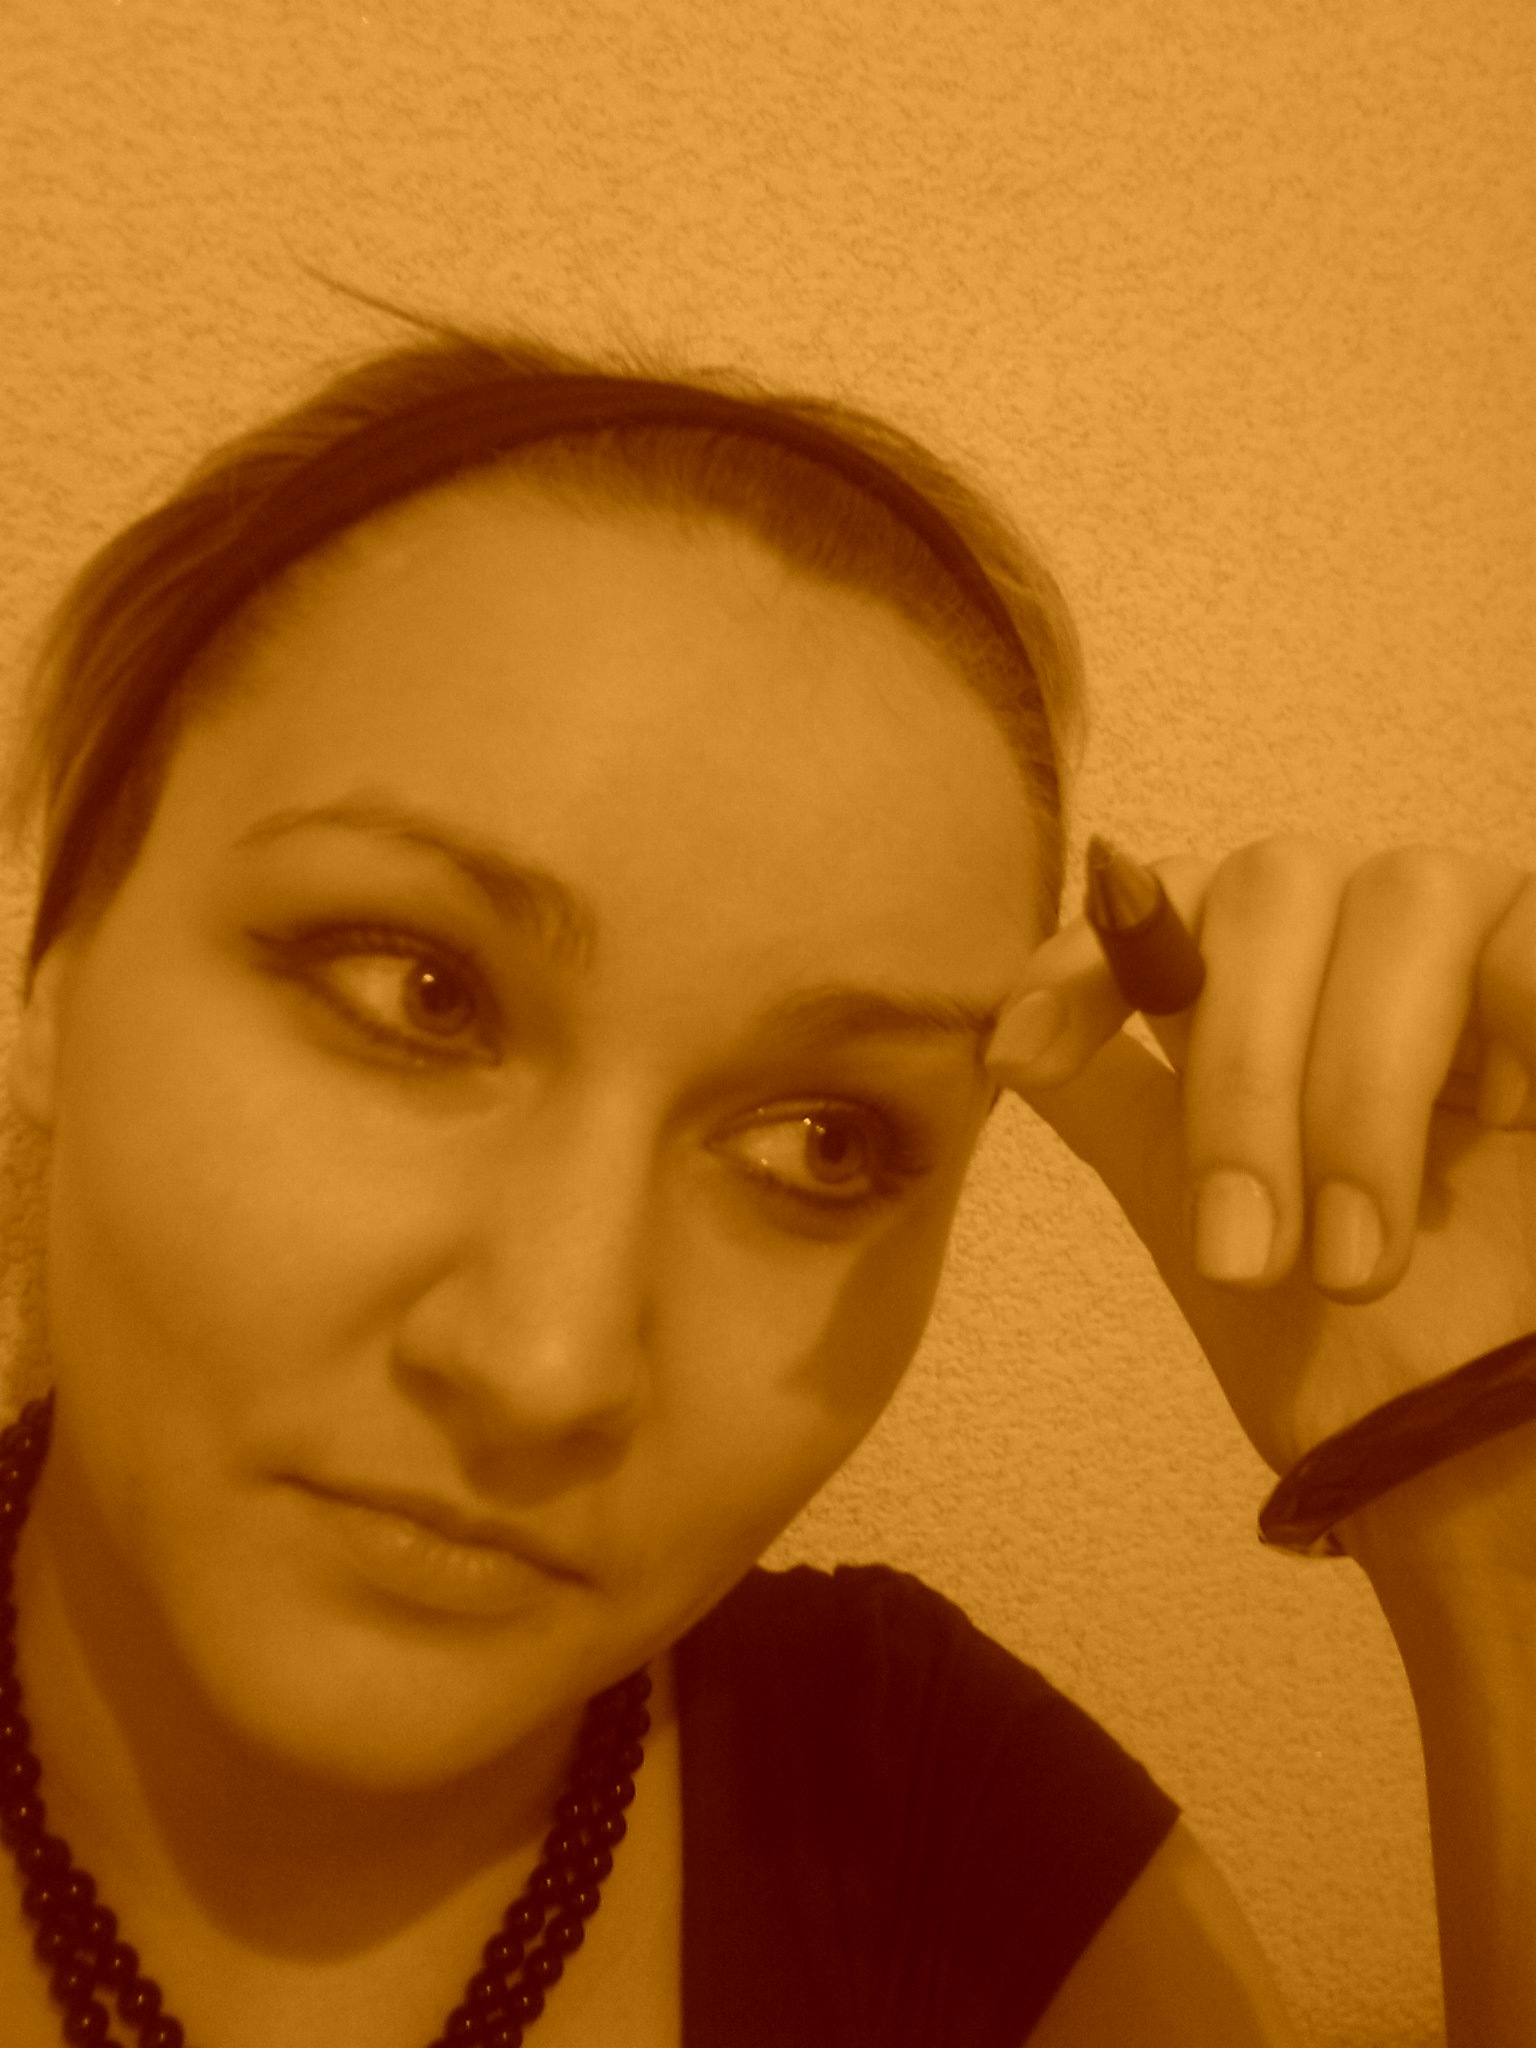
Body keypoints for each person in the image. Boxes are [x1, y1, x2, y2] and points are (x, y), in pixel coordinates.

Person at [0, 308, 1530, 2048]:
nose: (547, 1366)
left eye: (822, 1142)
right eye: (416, 992)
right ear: (60, 966)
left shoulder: (956, 1845)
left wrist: (1489, 1500)